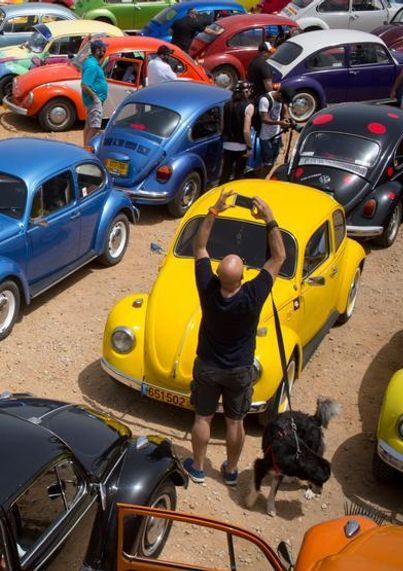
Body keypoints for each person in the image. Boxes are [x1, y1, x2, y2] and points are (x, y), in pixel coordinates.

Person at [184, 189, 286, 486]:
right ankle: (229, 470)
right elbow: (279, 256)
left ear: (217, 274)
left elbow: (200, 245)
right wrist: (268, 218)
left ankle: (199, 467)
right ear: (243, 276)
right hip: (240, 369)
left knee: (202, 418)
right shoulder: (254, 294)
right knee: (235, 421)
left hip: (208, 366)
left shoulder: (207, 288)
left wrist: (214, 211)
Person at [220, 82, 253, 185]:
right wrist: (249, 147)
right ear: (246, 92)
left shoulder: (226, 105)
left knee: (225, 173)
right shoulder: (249, 106)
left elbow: (222, 126)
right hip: (241, 146)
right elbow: (246, 130)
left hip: (227, 144)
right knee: (238, 175)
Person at [253, 89, 291, 178]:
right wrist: (279, 123)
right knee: (267, 162)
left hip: (276, 135)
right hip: (265, 136)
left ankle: (262, 176)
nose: (282, 102)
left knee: (273, 159)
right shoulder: (265, 100)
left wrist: (286, 119)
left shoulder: (281, 99)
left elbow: (284, 111)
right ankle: (260, 179)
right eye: (282, 100)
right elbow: (264, 119)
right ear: (279, 94)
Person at [80, 39, 108, 148]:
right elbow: (85, 85)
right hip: (94, 101)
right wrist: (95, 98)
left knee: (89, 125)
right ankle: (88, 149)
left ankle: (85, 147)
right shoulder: (92, 65)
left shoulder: (92, 62)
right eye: (103, 49)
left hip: (93, 101)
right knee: (95, 127)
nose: (104, 51)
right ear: (97, 51)